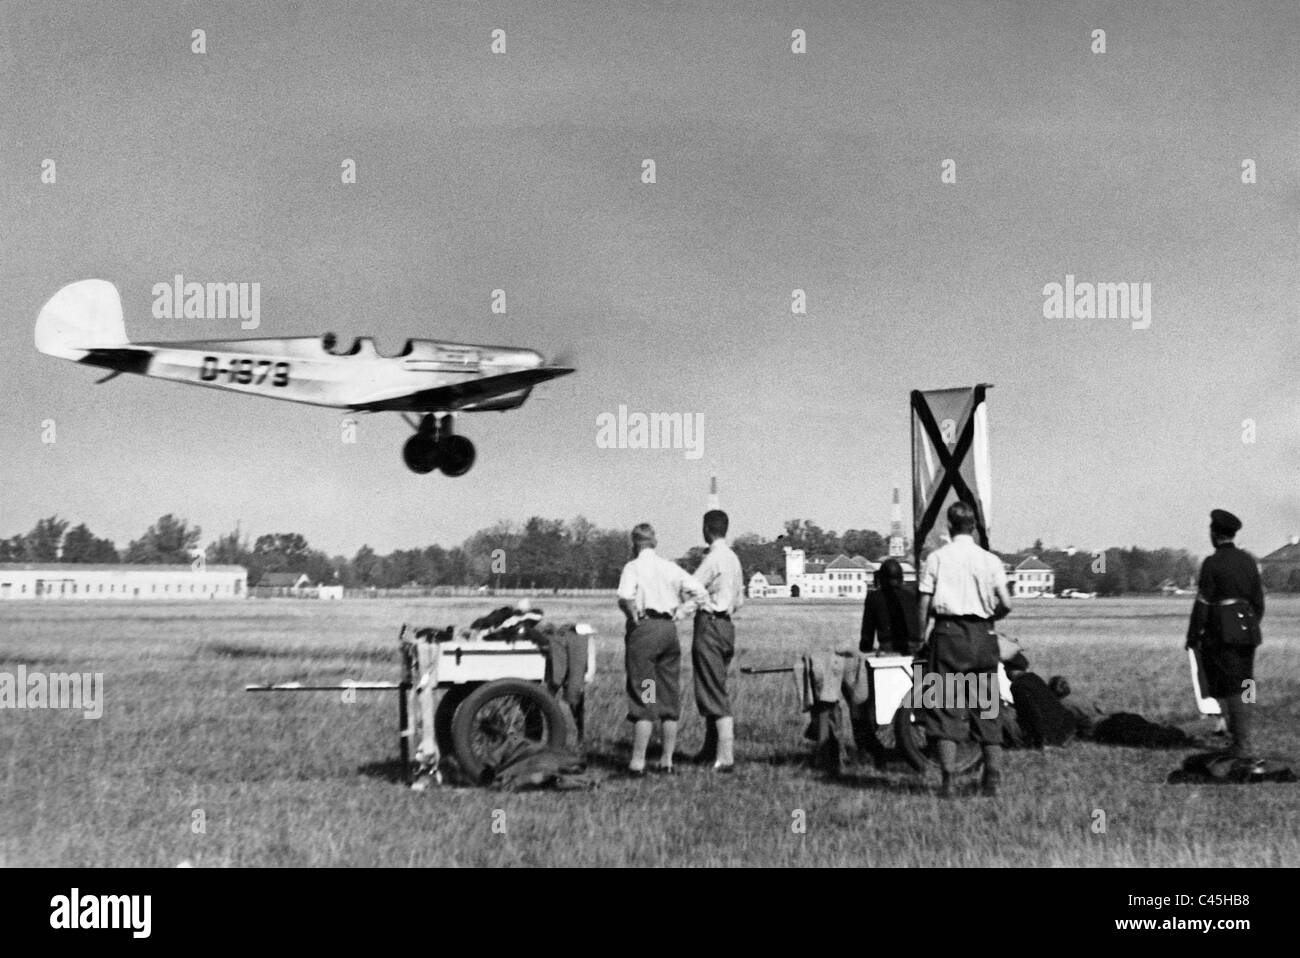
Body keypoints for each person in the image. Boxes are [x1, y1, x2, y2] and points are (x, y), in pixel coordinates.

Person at [916, 501, 1013, 797]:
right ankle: (992, 778)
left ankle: (947, 781)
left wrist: (921, 637)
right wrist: (988, 620)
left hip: (947, 635)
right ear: (973, 528)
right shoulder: (990, 560)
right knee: (987, 706)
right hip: (983, 636)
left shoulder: (936, 558)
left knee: (944, 707)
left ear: (949, 526)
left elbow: (923, 605)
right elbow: (1007, 604)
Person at [616, 523, 709, 775]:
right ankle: (667, 760)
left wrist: (632, 614)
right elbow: (700, 592)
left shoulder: (633, 567)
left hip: (645, 631)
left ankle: (638, 761)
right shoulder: (669, 567)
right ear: (654, 541)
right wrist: (682, 611)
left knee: (645, 692)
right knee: (668, 693)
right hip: (669, 631)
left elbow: (625, 596)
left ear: (634, 543)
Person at [1186, 509, 1265, 761]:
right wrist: (1250, 625)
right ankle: (1244, 735)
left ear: (1214, 534)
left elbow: (1203, 604)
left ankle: (1242, 744)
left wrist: (1193, 635)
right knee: (1246, 684)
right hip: (1249, 633)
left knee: (1230, 687)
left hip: (1223, 635)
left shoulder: (1212, 563)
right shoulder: (1248, 561)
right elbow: (1258, 602)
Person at [690, 510, 745, 772]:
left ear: (706, 529)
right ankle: (710, 749)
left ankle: (725, 757)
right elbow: (740, 600)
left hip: (710, 625)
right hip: (727, 627)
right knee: (716, 684)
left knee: (712, 691)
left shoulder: (713, 559)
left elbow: (690, 586)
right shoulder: (733, 558)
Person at [860, 558, 921, 654]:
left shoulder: (874, 597)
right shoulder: (912, 596)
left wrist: (866, 647)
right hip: (915, 651)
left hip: (888, 649)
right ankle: (919, 669)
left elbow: (868, 630)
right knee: (919, 667)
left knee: (878, 667)